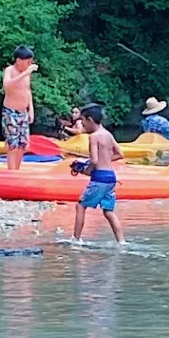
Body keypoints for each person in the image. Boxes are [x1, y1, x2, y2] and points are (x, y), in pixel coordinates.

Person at [70, 104, 126, 246]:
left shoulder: (94, 137)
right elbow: (120, 154)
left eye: (83, 121)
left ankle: (76, 240)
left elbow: (94, 160)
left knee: (81, 206)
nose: (82, 125)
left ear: (90, 120)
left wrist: (86, 168)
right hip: (111, 178)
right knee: (108, 211)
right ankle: (121, 242)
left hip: (99, 178)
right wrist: (104, 160)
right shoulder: (108, 134)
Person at [2, 46, 38, 172]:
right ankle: (11, 171)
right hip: (11, 112)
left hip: (23, 112)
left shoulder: (26, 74)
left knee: (23, 145)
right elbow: (7, 85)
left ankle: (17, 170)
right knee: (13, 145)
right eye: (28, 62)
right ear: (18, 60)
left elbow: (28, 91)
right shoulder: (10, 70)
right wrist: (25, 74)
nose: (29, 64)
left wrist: (31, 109)